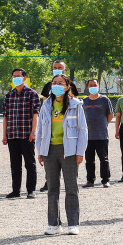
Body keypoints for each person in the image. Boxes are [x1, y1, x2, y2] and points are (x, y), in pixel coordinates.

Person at [35, 74, 88, 235]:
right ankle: (54, 224)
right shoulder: (46, 105)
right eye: (54, 83)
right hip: (50, 150)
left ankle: (73, 223)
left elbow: (83, 130)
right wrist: (40, 151)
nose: (56, 85)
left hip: (69, 151)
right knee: (52, 188)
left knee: (71, 188)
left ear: (67, 87)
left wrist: (80, 152)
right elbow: (40, 130)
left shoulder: (76, 105)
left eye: (60, 83)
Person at [2, 68, 41, 199]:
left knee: (30, 163)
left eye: (18, 76)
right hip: (12, 134)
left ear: (24, 78)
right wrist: (4, 135)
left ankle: (31, 190)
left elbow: (35, 114)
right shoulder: (9, 95)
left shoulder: (32, 94)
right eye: (14, 76)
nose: (15, 78)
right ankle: (16, 190)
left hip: (26, 135)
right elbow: (5, 116)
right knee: (15, 164)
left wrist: (33, 132)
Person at [81, 78, 114, 189]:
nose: (93, 86)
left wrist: (104, 124)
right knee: (89, 160)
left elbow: (110, 115)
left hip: (101, 135)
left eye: (95, 84)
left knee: (103, 159)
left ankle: (105, 180)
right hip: (88, 136)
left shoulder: (104, 100)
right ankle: (90, 180)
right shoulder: (84, 101)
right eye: (91, 85)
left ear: (98, 86)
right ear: (87, 87)